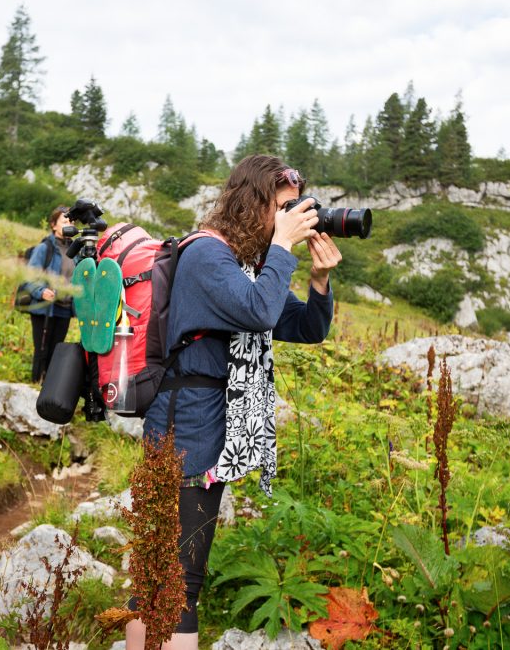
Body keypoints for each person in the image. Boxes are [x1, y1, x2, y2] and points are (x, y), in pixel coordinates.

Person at [126, 154, 341, 649]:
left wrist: (319, 281)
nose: (298, 216)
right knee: (179, 579)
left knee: (164, 573)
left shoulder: (246, 265)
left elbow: (305, 327)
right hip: (188, 424)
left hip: (201, 422)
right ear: (253, 202)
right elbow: (259, 311)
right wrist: (284, 247)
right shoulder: (209, 257)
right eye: (287, 207)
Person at [25, 205, 75, 382]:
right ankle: (35, 384)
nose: (69, 223)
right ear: (54, 225)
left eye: (71, 221)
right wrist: (40, 291)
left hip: (65, 308)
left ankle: (48, 388)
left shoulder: (75, 251)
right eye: (64, 220)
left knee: (56, 352)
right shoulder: (44, 248)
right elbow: (29, 277)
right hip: (45, 308)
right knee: (41, 350)